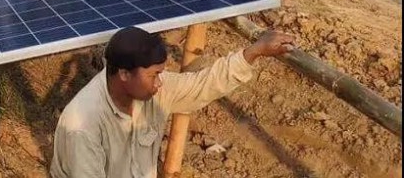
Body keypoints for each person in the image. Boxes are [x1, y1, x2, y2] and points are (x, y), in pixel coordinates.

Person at [51, 26, 294, 178]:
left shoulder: (150, 90)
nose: (159, 83)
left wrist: (254, 52)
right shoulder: (83, 127)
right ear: (124, 73)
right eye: (153, 75)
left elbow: (203, 85)